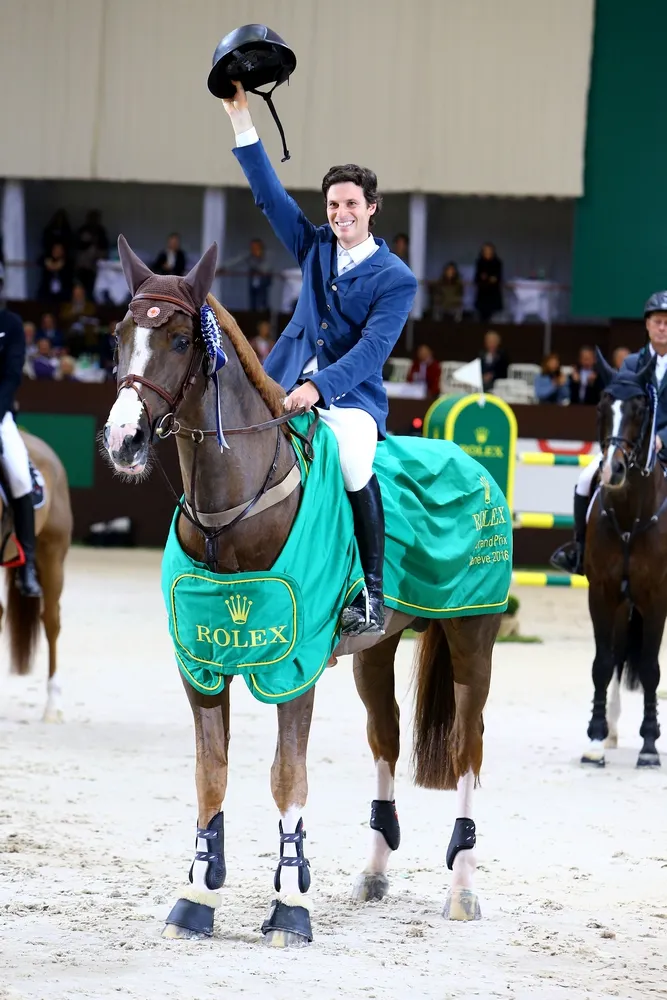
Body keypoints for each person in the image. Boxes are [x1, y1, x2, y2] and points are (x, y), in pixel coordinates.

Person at [223, 80, 417, 635]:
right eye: (333, 204)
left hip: (349, 398)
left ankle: (372, 595)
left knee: (355, 465)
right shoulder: (313, 245)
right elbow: (268, 196)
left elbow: (373, 350)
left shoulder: (396, 278)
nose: (341, 213)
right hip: (282, 381)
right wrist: (242, 119)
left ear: (372, 208)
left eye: (351, 204)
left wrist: (320, 388)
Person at [553, 292, 667, 575]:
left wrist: (661, 437)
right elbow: (622, 407)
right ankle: (579, 550)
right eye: (657, 321)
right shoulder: (630, 364)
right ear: (647, 325)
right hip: (631, 450)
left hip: (665, 450)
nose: (663, 327)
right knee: (584, 479)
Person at [0, 268, 42, 596]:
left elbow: (12, 375)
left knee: (18, 474)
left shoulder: (10, 325)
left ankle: (27, 566)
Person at [474, 243, 503, 322]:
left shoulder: (497, 262)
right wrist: (484, 278)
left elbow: (497, 278)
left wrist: (487, 278)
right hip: (482, 294)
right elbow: (477, 278)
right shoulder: (479, 262)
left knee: (494, 318)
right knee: (481, 318)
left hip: (493, 294)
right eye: (485, 250)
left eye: (489, 250)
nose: (487, 252)